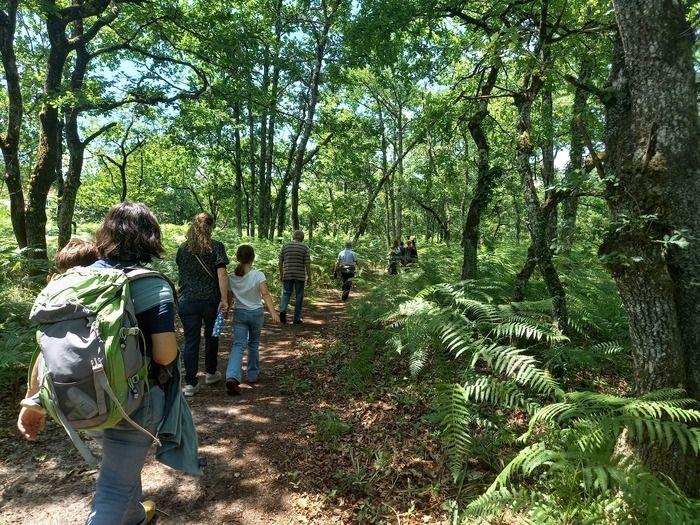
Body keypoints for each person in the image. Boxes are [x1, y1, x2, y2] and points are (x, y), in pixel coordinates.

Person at [18, 201, 195, 524]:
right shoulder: (152, 284)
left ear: (106, 234)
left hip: (83, 396)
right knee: (112, 487)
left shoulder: (76, 279)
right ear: (151, 238)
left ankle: (134, 516)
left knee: (118, 464)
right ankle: (120, 512)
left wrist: (33, 401)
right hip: (135, 401)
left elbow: (47, 344)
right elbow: (165, 355)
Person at [176, 212, 229, 397]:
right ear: (211, 227)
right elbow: (222, 274)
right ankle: (211, 373)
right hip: (211, 301)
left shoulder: (183, 249)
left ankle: (190, 383)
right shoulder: (217, 247)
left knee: (191, 341)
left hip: (187, 301)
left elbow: (182, 274)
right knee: (212, 336)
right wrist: (224, 299)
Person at [225, 245, 280, 395]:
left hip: (240, 313)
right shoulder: (258, 275)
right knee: (253, 344)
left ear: (238, 258)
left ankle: (232, 376)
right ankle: (252, 375)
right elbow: (265, 294)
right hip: (256, 313)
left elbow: (229, 298)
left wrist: (226, 312)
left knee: (238, 345)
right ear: (252, 258)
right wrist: (273, 312)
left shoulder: (231, 277)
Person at [278, 230, 311, 324]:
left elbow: (280, 261)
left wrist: (281, 273)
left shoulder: (286, 246)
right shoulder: (304, 247)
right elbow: (307, 263)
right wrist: (309, 277)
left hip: (287, 273)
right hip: (300, 275)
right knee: (299, 296)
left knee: (286, 293)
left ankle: (283, 310)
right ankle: (296, 318)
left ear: (293, 236)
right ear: (302, 238)